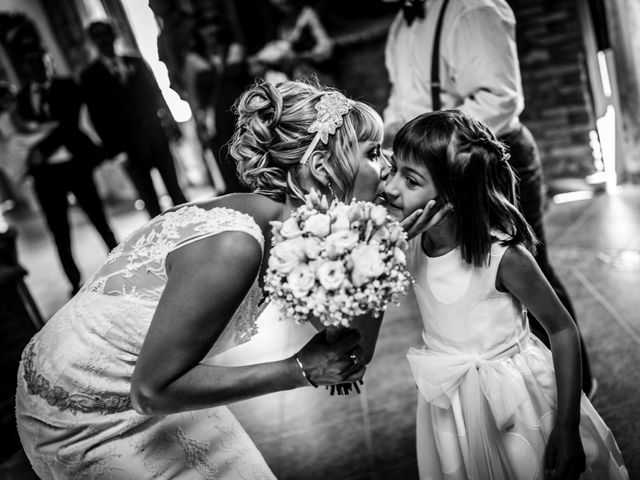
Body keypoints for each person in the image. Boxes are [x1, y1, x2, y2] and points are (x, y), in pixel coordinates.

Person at [16, 80, 392, 478]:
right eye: (373, 153)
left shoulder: (301, 233)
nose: (387, 167)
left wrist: (374, 248)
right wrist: (298, 369)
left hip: (154, 383)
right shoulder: (234, 246)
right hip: (82, 410)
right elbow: (152, 390)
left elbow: (352, 348)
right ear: (320, 168)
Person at [384, 110, 628, 479]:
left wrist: (566, 425)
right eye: (393, 169)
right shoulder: (408, 242)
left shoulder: (504, 256)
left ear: (453, 195)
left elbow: (562, 330)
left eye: (411, 179)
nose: (390, 186)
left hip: (517, 397)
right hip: (452, 403)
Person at [383, 0, 596, 397]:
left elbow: (499, 98)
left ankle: (573, 389)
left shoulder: (473, 8)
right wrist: (395, 141)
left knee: (524, 267)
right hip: (425, 170)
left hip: (479, 162)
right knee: (464, 276)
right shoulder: (401, 25)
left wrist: (431, 147)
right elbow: (401, 97)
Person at [15, 51, 118, 295]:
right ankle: (74, 282)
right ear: (26, 70)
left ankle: (121, 262)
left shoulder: (68, 86)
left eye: (43, 64)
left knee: (98, 218)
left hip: (75, 164)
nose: (39, 70)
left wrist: (42, 148)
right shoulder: (21, 98)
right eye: (33, 66)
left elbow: (68, 123)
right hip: (45, 175)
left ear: (50, 63)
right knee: (58, 230)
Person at [81, 20, 187, 218]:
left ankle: (191, 229)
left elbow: (157, 95)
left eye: (106, 34)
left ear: (114, 35)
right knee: (149, 200)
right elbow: (98, 118)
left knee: (176, 191)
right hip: (128, 148)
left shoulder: (136, 62)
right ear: (92, 42)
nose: (103, 39)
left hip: (156, 137)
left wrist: (171, 123)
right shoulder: (89, 77)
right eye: (97, 36)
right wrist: (115, 151)